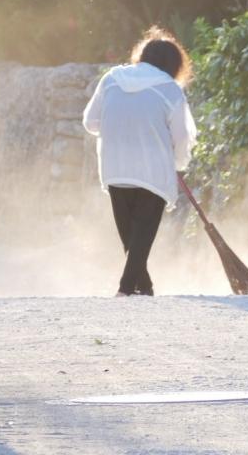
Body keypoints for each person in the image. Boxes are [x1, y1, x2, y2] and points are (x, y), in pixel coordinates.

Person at [82, 27, 198, 296]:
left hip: (115, 167)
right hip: (152, 171)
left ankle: (144, 289)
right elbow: (182, 136)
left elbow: (90, 122)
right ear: (174, 65)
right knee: (142, 235)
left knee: (131, 237)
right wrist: (178, 163)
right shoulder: (170, 89)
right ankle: (125, 289)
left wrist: (120, 126)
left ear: (142, 56)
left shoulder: (111, 79)